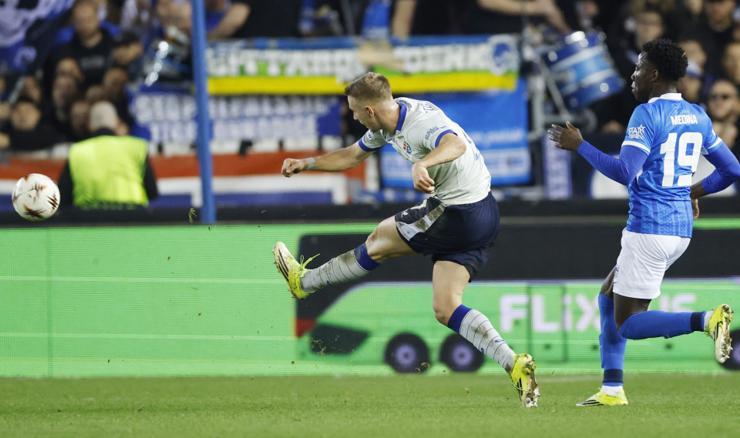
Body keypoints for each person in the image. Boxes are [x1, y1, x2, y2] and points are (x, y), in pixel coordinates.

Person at [272, 72, 539, 407]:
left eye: (354, 111)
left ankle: (305, 283)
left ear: (369, 111)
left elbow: (455, 143)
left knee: (379, 240)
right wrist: (307, 163)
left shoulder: (419, 124)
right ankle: (514, 364)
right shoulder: (388, 121)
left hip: (457, 212)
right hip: (483, 211)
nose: (353, 117)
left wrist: (422, 164)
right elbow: (352, 155)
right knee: (446, 308)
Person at [548, 38, 739, 407]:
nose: (633, 75)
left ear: (654, 74)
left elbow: (624, 171)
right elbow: (732, 170)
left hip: (649, 228)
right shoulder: (697, 115)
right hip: (680, 230)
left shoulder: (647, 115)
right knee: (608, 297)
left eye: (638, 68)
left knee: (629, 324)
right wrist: (691, 192)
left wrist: (580, 145)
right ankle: (611, 389)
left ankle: (706, 320)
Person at [58, 101, 158, 209]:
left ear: (89, 124)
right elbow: (152, 192)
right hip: (133, 214)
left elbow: (63, 197)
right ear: (116, 122)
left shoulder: (77, 151)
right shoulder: (137, 147)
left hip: (90, 216)